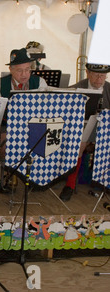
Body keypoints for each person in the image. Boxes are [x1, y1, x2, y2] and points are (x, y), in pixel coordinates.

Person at [59, 63, 110, 201]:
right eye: (96, 75)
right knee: (79, 144)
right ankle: (70, 184)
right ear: (87, 73)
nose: (99, 79)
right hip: (81, 128)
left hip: (104, 130)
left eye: (103, 76)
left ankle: (105, 182)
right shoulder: (76, 88)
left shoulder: (108, 88)